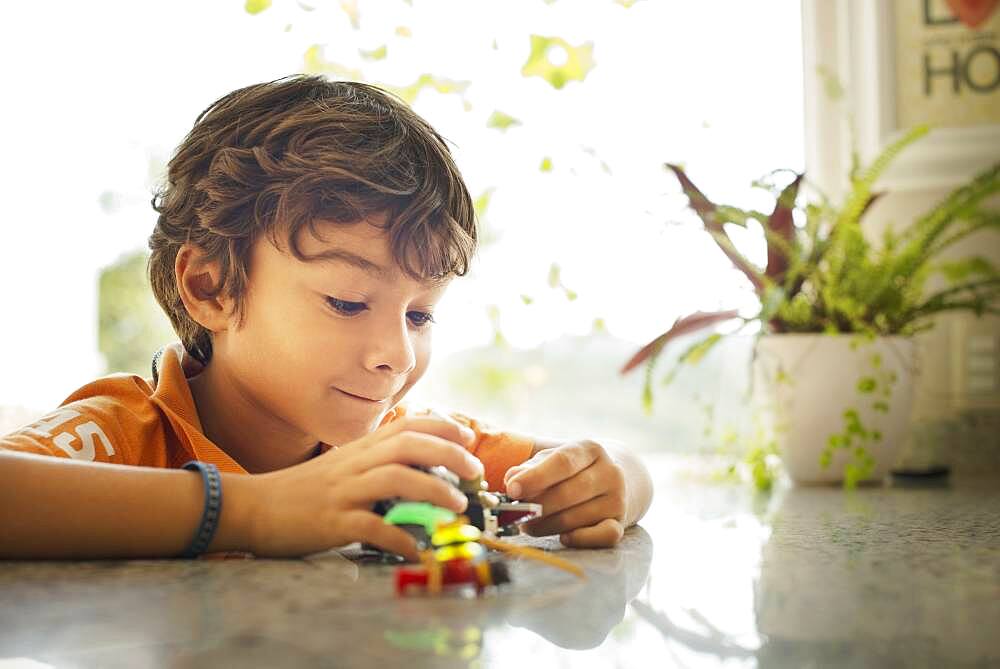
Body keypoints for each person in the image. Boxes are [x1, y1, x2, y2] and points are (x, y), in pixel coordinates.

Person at [0, 75, 653, 562]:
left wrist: (612, 478)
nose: (396, 353)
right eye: (347, 301)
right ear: (210, 287)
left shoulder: (402, 447)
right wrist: (256, 511)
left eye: (420, 314)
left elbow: (610, 465)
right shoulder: (124, 435)